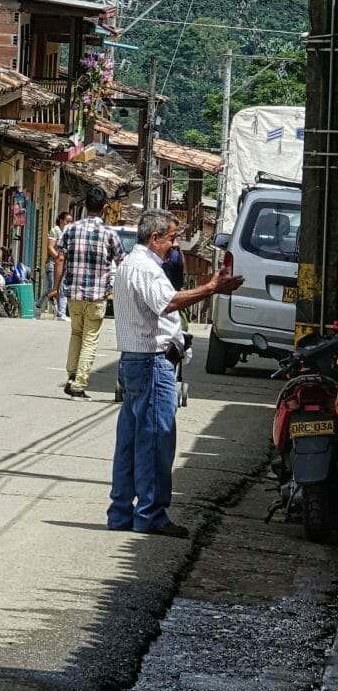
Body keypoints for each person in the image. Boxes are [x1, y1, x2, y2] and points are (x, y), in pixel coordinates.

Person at [108, 208, 242, 537]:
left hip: (137, 360)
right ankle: (150, 513)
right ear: (155, 239)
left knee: (131, 440)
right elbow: (166, 303)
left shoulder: (133, 265)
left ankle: (122, 511)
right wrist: (210, 288)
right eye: (171, 238)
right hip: (151, 362)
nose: (175, 244)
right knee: (155, 439)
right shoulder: (144, 268)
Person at [55, 186, 123, 399]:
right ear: (104, 208)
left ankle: (71, 374)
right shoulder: (110, 234)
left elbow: (59, 258)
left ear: (84, 206)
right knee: (90, 338)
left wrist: (55, 288)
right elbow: (122, 262)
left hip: (74, 293)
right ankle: (79, 384)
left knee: (76, 333)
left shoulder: (70, 230)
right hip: (97, 296)